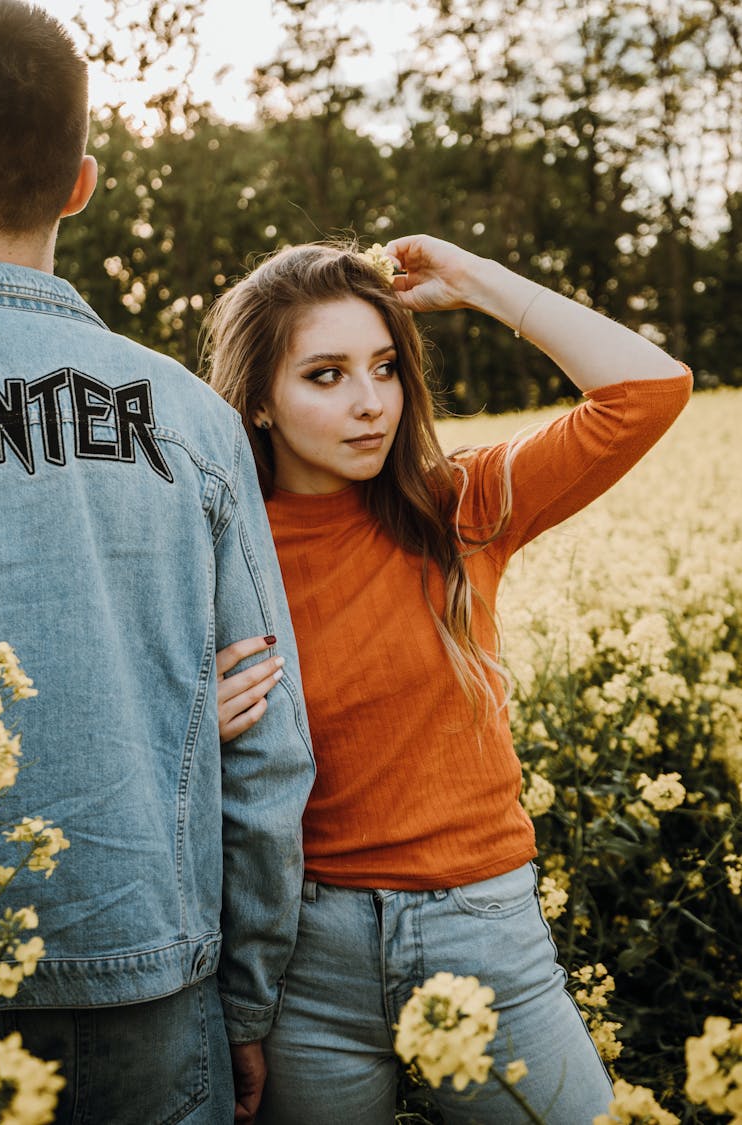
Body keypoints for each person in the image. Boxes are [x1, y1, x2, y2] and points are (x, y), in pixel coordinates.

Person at [203, 234, 693, 1125]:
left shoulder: (457, 506)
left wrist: (478, 282)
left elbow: (648, 390)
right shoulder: (214, 552)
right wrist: (190, 719)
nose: (370, 404)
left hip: (485, 931)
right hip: (304, 956)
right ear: (260, 401)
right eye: (325, 375)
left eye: (385, 366)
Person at [0, 4, 314, 1123]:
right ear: (80, 185)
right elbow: (269, 754)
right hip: (146, 969)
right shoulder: (190, 417)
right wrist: (251, 1000)